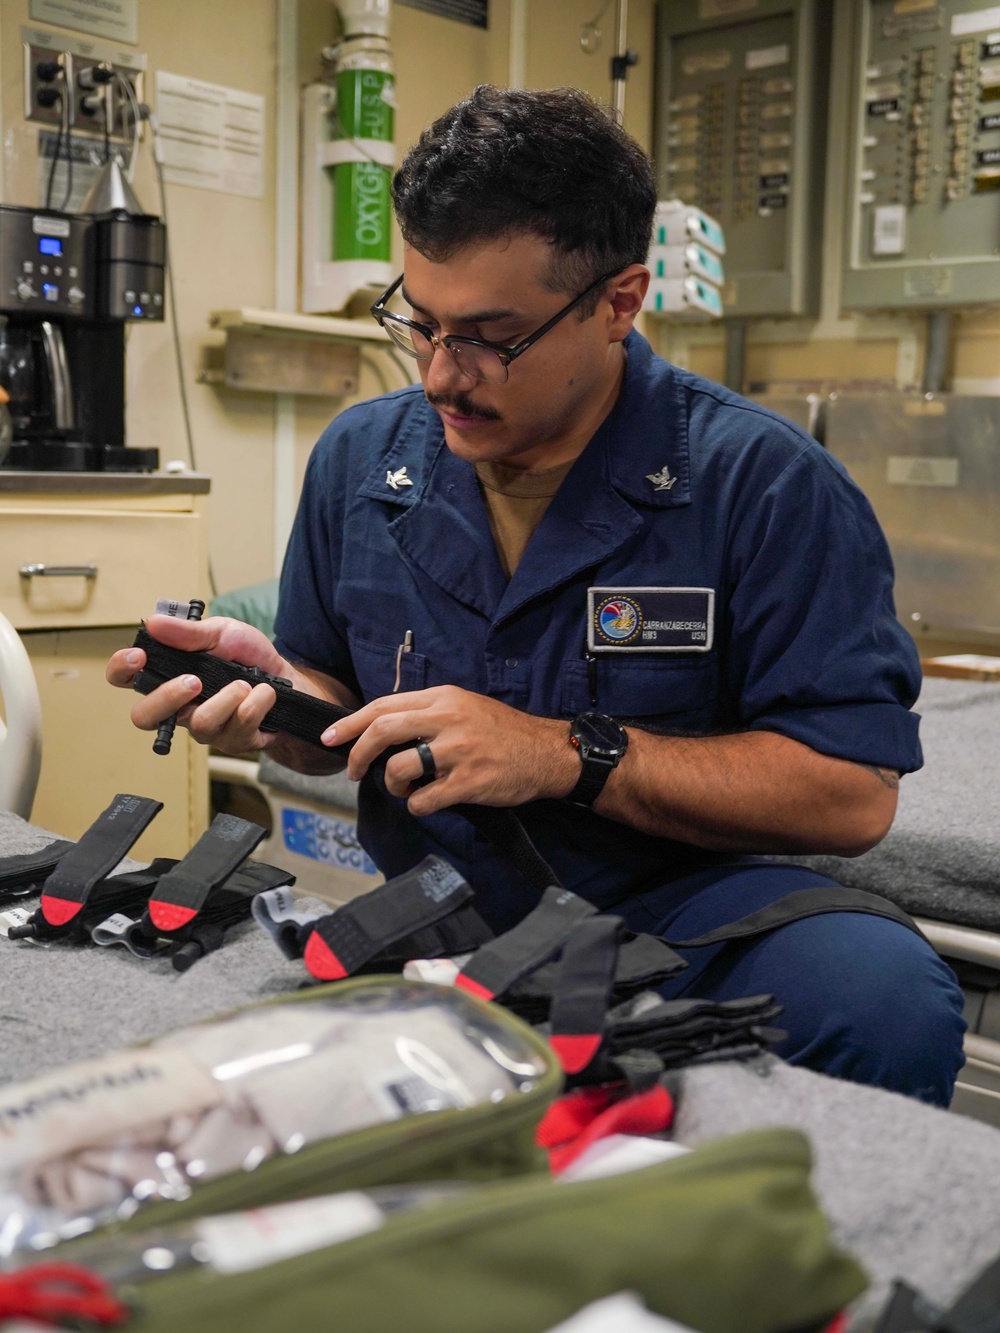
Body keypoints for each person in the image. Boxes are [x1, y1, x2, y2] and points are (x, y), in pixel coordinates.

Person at [108, 85, 965, 1105]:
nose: (438, 374)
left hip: (681, 909)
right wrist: (276, 702)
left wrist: (564, 754)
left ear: (618, 302)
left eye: (487, 336)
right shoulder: (360, 462)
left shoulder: (762, 484)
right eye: (417, 324)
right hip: (442, 904)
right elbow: (333, 717)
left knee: (883, 996)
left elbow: (850, 792)